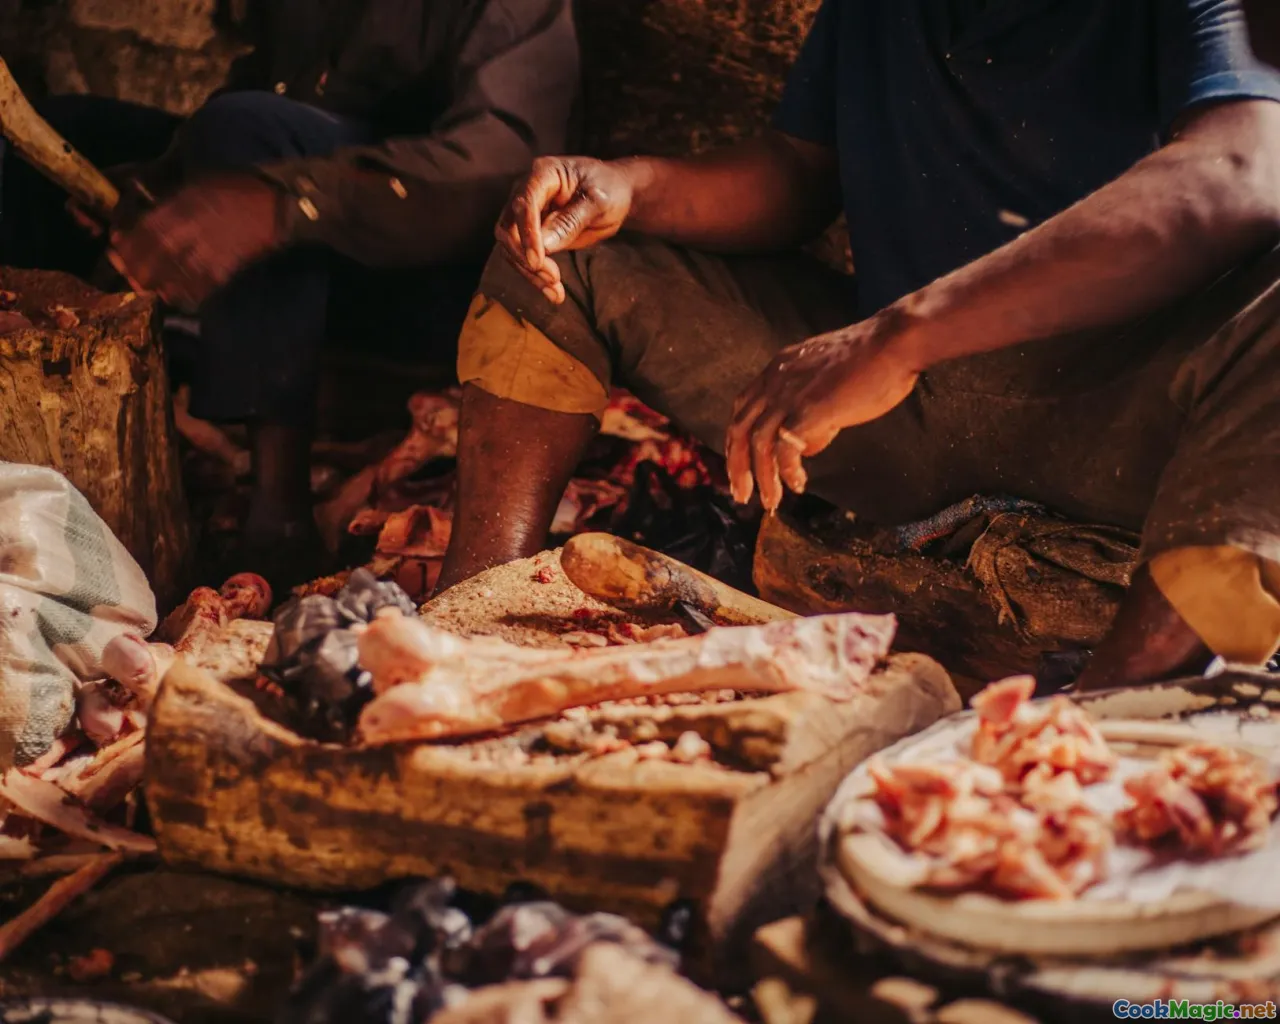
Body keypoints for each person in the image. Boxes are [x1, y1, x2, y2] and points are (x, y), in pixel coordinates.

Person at [436, 0, 1280, 692]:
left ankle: (1113, 713)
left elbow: (1239, 173)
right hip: (896, 423)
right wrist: (634, 187)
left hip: (1125, 429)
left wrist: (899, 337)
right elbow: (795, 173)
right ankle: (464, 637)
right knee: (565, 254)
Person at [0, 0, 579, 587]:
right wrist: (174, 174)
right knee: (66, 129)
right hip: (304, 230)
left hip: (428, 273)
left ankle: (279, 518)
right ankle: (34, 470)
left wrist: (282, 205)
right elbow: (271, 96)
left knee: (250, 134)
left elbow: (500, 171)